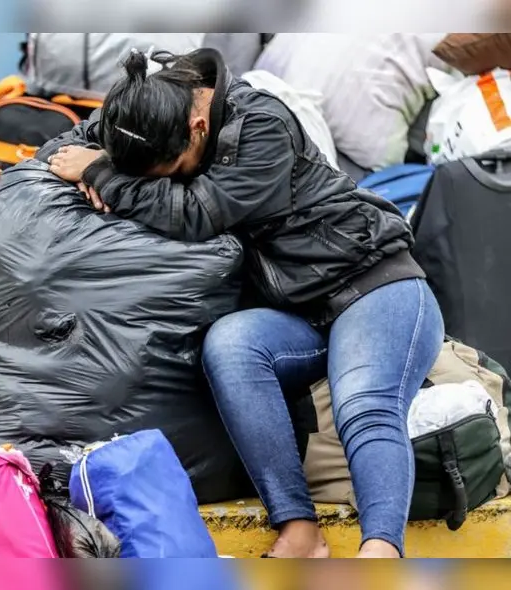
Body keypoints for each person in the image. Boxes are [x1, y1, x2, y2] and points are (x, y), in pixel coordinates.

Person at [41, 48, 444, 559]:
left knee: (363, 403)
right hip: (300, 312)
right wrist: (90, 167)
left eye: (171, 170)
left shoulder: (262, 124)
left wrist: (107, 178)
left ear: (199, 126)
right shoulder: (148, 106)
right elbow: (62, 146)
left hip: (374, 284)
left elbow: (197, 212)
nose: (163, 182)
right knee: (229, 345)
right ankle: (300, 530)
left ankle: (381, 551)